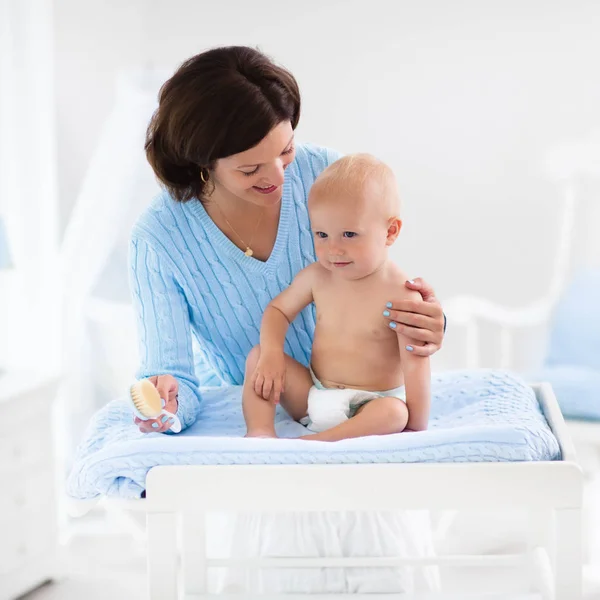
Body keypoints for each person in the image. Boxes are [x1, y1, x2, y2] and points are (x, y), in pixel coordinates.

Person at [131, 45, 445, 435]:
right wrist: (168, 401)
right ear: (202, 163)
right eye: (251, 169)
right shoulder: (159, 240)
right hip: (257, 396)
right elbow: (175, 377)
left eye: (286, 150)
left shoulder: (328, 174)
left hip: (365, 403)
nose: (279, 177)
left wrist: (426, 323)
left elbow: (377, 275)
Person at [244, 153, 430, 440]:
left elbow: (416, 365)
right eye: (321, 234)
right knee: (258, 357)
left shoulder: (402, 295)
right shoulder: (317, 276)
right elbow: (278, 311)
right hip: (314, 394)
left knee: (395, 413)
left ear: (390, 232)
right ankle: (260, 433)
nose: (333, 249)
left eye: (349, 234)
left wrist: (416, 426)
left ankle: (317, 442)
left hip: (369, 404)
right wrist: (271, 353)